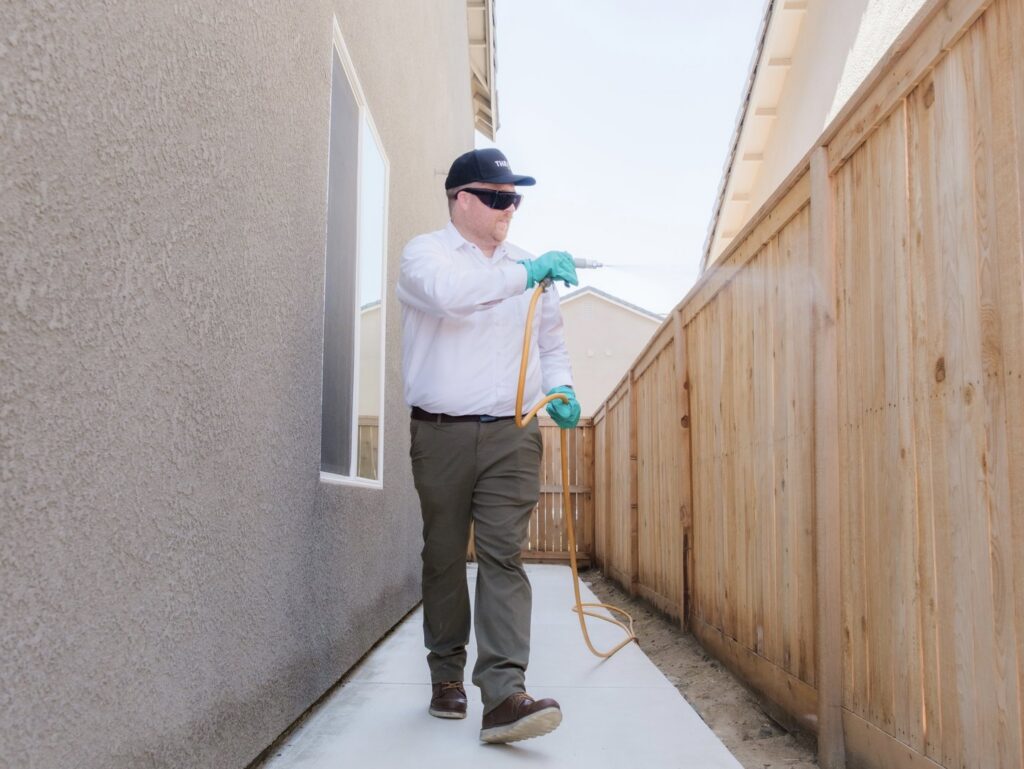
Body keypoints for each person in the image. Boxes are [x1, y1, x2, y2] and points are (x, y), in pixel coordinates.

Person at [396, 148, 582, 744]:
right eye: (498, 197)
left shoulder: (530, 267)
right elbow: (453, 295)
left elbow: (551, 344)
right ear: (461, 200)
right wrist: (525, 276)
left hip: (513, 433)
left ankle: (505, 694)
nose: (510, 208)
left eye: (515, 197)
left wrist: (564, 389)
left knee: (505, 555)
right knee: (445, 554)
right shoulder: (424, 255)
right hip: (440, 432)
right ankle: (445, 675)